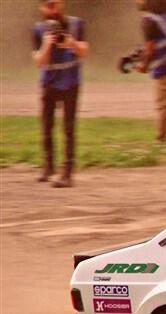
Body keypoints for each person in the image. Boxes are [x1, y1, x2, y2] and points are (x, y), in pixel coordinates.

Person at [31, 0, 89, 188]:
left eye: (54, 4)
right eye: (47, 5)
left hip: (70, 82)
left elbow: (84, 51)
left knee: (69, 128)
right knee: (47, 126)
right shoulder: (38, 29)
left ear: (61, 3)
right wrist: (47, 44)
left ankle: (67, 172)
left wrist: (71, 43)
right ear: (41, 8)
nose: (52, 9)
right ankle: (48, 167)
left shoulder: (76, 24)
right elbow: (39, 61)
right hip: (49, 83)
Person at [135, 0, 166, 143]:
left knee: (162, 105)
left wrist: (143, 65)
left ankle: (160, 139)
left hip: (163, 67)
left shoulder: (148, 20)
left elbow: (150, 49)